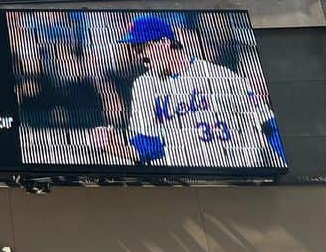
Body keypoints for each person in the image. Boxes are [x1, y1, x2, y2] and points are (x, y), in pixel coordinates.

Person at [93, 14, 286, 168]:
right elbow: (149, 147)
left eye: (142, 48)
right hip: (189, 184)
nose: (140, 57)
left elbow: (268, 125)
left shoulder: (218, 75)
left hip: (241, 176)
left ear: (163, 43)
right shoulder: (143, 86)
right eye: (135, 50)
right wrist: (113, 146)